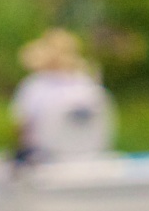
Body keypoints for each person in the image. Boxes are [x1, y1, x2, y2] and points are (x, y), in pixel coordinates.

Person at [10, 28, 113, 166]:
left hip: (42, 158)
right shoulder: (86, 84)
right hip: (92, 156)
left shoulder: (34, 86)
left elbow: (22, 126)